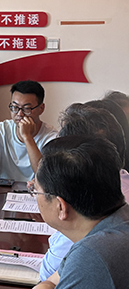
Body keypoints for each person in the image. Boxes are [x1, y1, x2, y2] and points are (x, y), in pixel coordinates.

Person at [38, 103, 129, 282]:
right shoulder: (119, 215)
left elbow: (47, 275)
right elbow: (52, 280)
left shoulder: (90, 257)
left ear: (61, 206)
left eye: (36, 191)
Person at [0, 80, 57, 185]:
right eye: (15, 107)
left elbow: (44, 176)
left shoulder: (51, 137)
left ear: (41, 108)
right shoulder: (1, 130)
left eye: (27, 108)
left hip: (35, 193)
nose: (19, 114)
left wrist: (27, 137)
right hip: (4, 191)